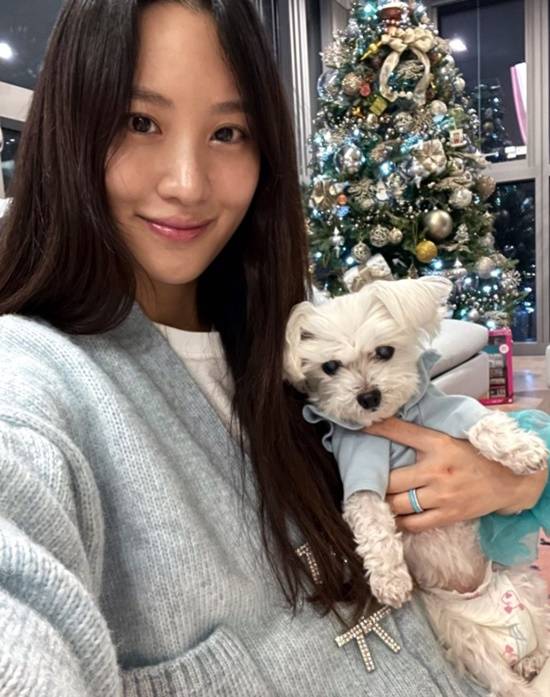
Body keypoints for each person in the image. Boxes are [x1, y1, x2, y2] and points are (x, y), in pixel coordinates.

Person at [0, 1, 547, 695]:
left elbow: (471, 422)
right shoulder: (31, 384)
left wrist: (520, 480)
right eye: (140, 122)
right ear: (67, 126)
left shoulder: (287, 329)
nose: (186, 183)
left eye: (228, 132)